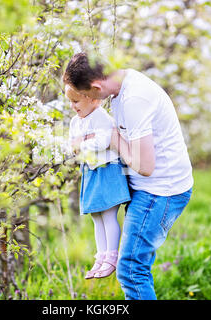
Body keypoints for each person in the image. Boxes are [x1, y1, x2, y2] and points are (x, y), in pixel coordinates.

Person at [63, 53, 193, 299]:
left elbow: (145, 167)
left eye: (87, 96)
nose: (88, 101)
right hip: (147, 186)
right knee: (131, 266)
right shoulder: (120, 86)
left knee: (131, 269)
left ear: (96, 87)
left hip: (160, 191)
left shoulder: (135, 98)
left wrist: (112, 138)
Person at [66, 84, 131, 279]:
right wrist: (80, 144)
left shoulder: (101, 117)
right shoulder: (74, 122)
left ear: (93, 98)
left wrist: (81, 143)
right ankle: (101, 255)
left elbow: (103, 141)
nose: (72, 106)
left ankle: (112, 255)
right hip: (91, 171)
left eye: (76, 101)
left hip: (107, 169)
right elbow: (71, 146)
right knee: (96, 216)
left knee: (108, 215)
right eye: (70, 101)